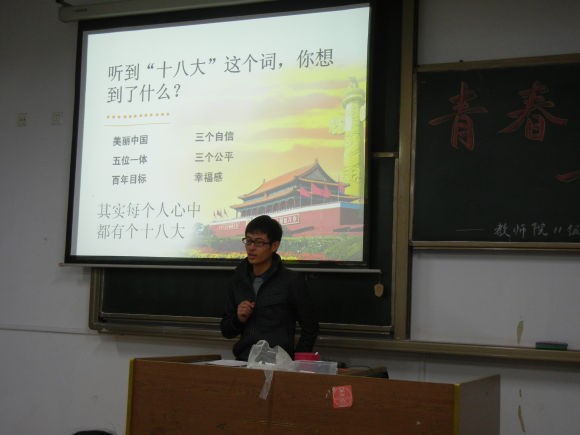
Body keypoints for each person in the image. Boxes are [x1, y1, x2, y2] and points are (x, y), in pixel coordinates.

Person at [220, 215, 319, 361]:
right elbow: (226, 331)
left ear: (274, 246)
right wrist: (238, 318)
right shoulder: (237, 280)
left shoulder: (291, 281)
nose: (251, 247)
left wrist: (295, 363)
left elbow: (310, 327)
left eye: (259, 242)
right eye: (248, 241)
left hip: (278, 364)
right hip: (244, 361)